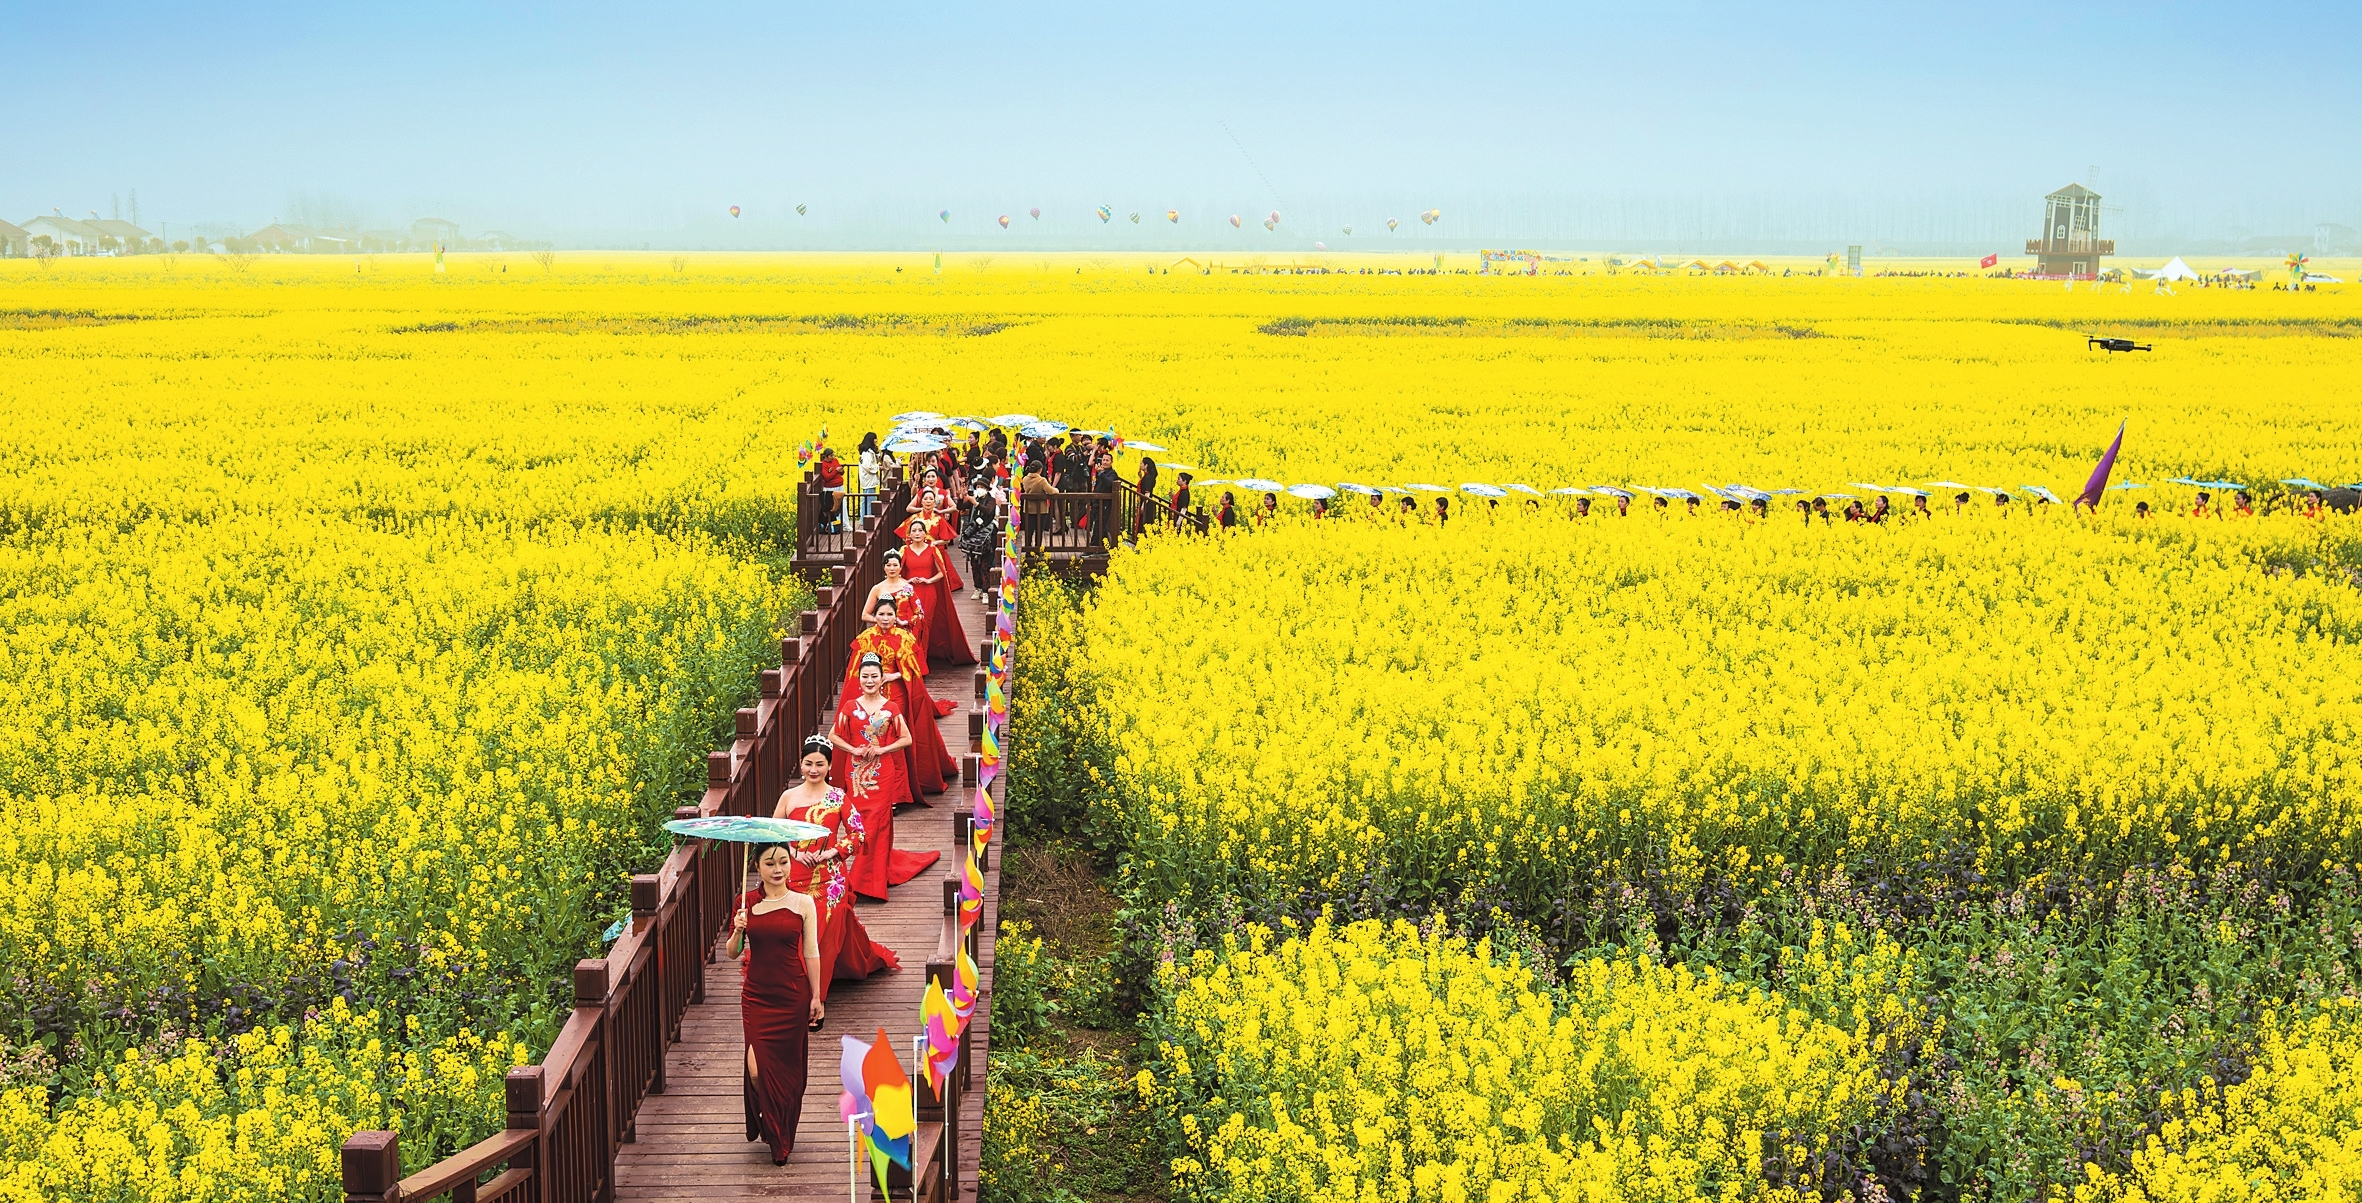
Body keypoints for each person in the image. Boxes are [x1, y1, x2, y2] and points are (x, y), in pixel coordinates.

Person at [775, 736, 900, 1003]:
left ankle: (813, 996)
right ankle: (795, 984)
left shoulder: (838, 797)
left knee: (825, 932)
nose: (813, 769)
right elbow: (775, 834)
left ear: (829, 767)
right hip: (794, 875)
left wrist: (833, 851)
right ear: (800, 764)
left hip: (830, 878)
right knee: (796, 930)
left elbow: (858, 833)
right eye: (808, 763)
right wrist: (795, 853)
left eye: (820, 764)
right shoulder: (788, 797)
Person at [728, 843, 823, 1165]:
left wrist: (816, 996)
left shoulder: (803, 903)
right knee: (756, 1068)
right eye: (770, 863)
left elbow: (811, 952)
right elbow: (732, 952)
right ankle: (769, 1115)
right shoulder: (745, 903)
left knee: (789, 1071)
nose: (778, 868)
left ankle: (779, 1133)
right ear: (757, 866)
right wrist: (738, 930)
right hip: (756, 996)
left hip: (792, 995)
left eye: (783, 861)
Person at [830, 653, 938, 900]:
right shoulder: (850, 707)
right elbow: (833, 736)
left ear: (882, 679)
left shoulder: (891, 708)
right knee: (859, 820)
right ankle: (870, 874)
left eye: (874, 676)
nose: (869, 680)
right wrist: (854, 749)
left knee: (878, 821)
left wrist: (881, 749)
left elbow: (906, 738)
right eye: (865, 676)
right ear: (859, 679)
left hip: (883, 772)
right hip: (855, 771)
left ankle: (863, 879)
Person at [840, 596, 954, 791]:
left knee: (892, 736)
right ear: (874, 616)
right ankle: (866, 781)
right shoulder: (865, 638)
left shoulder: (904, 638)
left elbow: (916, 669)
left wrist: (894, 676)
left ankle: (897, 791)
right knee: (866, 732)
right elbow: (853, 671)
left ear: (896, 616)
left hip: (895, 692)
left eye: (889, 614)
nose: (885, 618)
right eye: (881, 614)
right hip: (868, 691)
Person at [900, 525, 974, 666]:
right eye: (914, 531)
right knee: (911, 623)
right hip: (909, 592)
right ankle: (911, 658)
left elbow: (942, 572)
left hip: (928, 592)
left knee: (925, 624)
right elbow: (896, 573)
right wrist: (908, 581)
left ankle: (922, 660)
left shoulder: (932, 549)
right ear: (909, 534)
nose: (917, 533)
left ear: (925, 533)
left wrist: (928, 580)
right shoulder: (904, 550)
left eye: (920, 531)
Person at [863, 550, 927, 660]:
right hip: (882, 629)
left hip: (903, 630)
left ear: (900, 567)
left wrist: (905, 622)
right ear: (884, 567)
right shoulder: (877, 588)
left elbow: (920, 614)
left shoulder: (907, 587)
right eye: (888, 565)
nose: (892, 568)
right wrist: (881, 620)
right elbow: (865, 615)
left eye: (895, 565)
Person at [956, 488, 998, 595]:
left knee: (985, 564)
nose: (980, 489)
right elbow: (960, 507)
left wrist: (976, 504)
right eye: (978, 486)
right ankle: (977, 588)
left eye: (982, 487)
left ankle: (985, 590)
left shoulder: (991, 500)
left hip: (987, 537)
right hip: (974, 537)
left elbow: (988, 510)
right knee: (974, 564)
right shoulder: (974, 500)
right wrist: (961, 499)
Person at [1020, 461, 1054, 551]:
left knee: (1029, 531)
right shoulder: (1041, 480)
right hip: (1041, 509)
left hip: (1028, 508)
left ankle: (1028, 550)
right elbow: (1051, 491)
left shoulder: (1025, 479)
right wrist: (1057, 490)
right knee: (1039, 531)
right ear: (1040, 470)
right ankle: (1037, 550)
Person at [816, 448, 845, 534]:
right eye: (831, 455)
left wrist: (841, 470)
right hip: (830, 487)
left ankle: (843, 523)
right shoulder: (824, 464)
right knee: (833, 507)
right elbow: (827, 477)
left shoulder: (835, 460)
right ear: (826, 457)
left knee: (842, 505)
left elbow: (841, 472)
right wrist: (836, 471)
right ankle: (833, 525)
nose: (833, 457)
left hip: (840, 485)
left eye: (833, 455)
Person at [857, 434, 883, 520]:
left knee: (866, 500)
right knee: (870, 501)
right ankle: (868, 520)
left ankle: (863, 520)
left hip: (867, 480)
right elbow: (868, 466)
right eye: (875, 438)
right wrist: (878, 467)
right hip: (869, 480)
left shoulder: (868, 452)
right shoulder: (867, 453)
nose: (876, 440)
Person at [1135, 457, 1160, 538]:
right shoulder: (1147, 476)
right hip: (1144, 502)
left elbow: (1147, 492)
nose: (1140, 465)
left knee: (1144, 523)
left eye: (1141, 463)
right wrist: (1140, 478)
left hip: (1146, 503)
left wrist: (1143, 505)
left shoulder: (1148, 477)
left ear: (1146, 465)